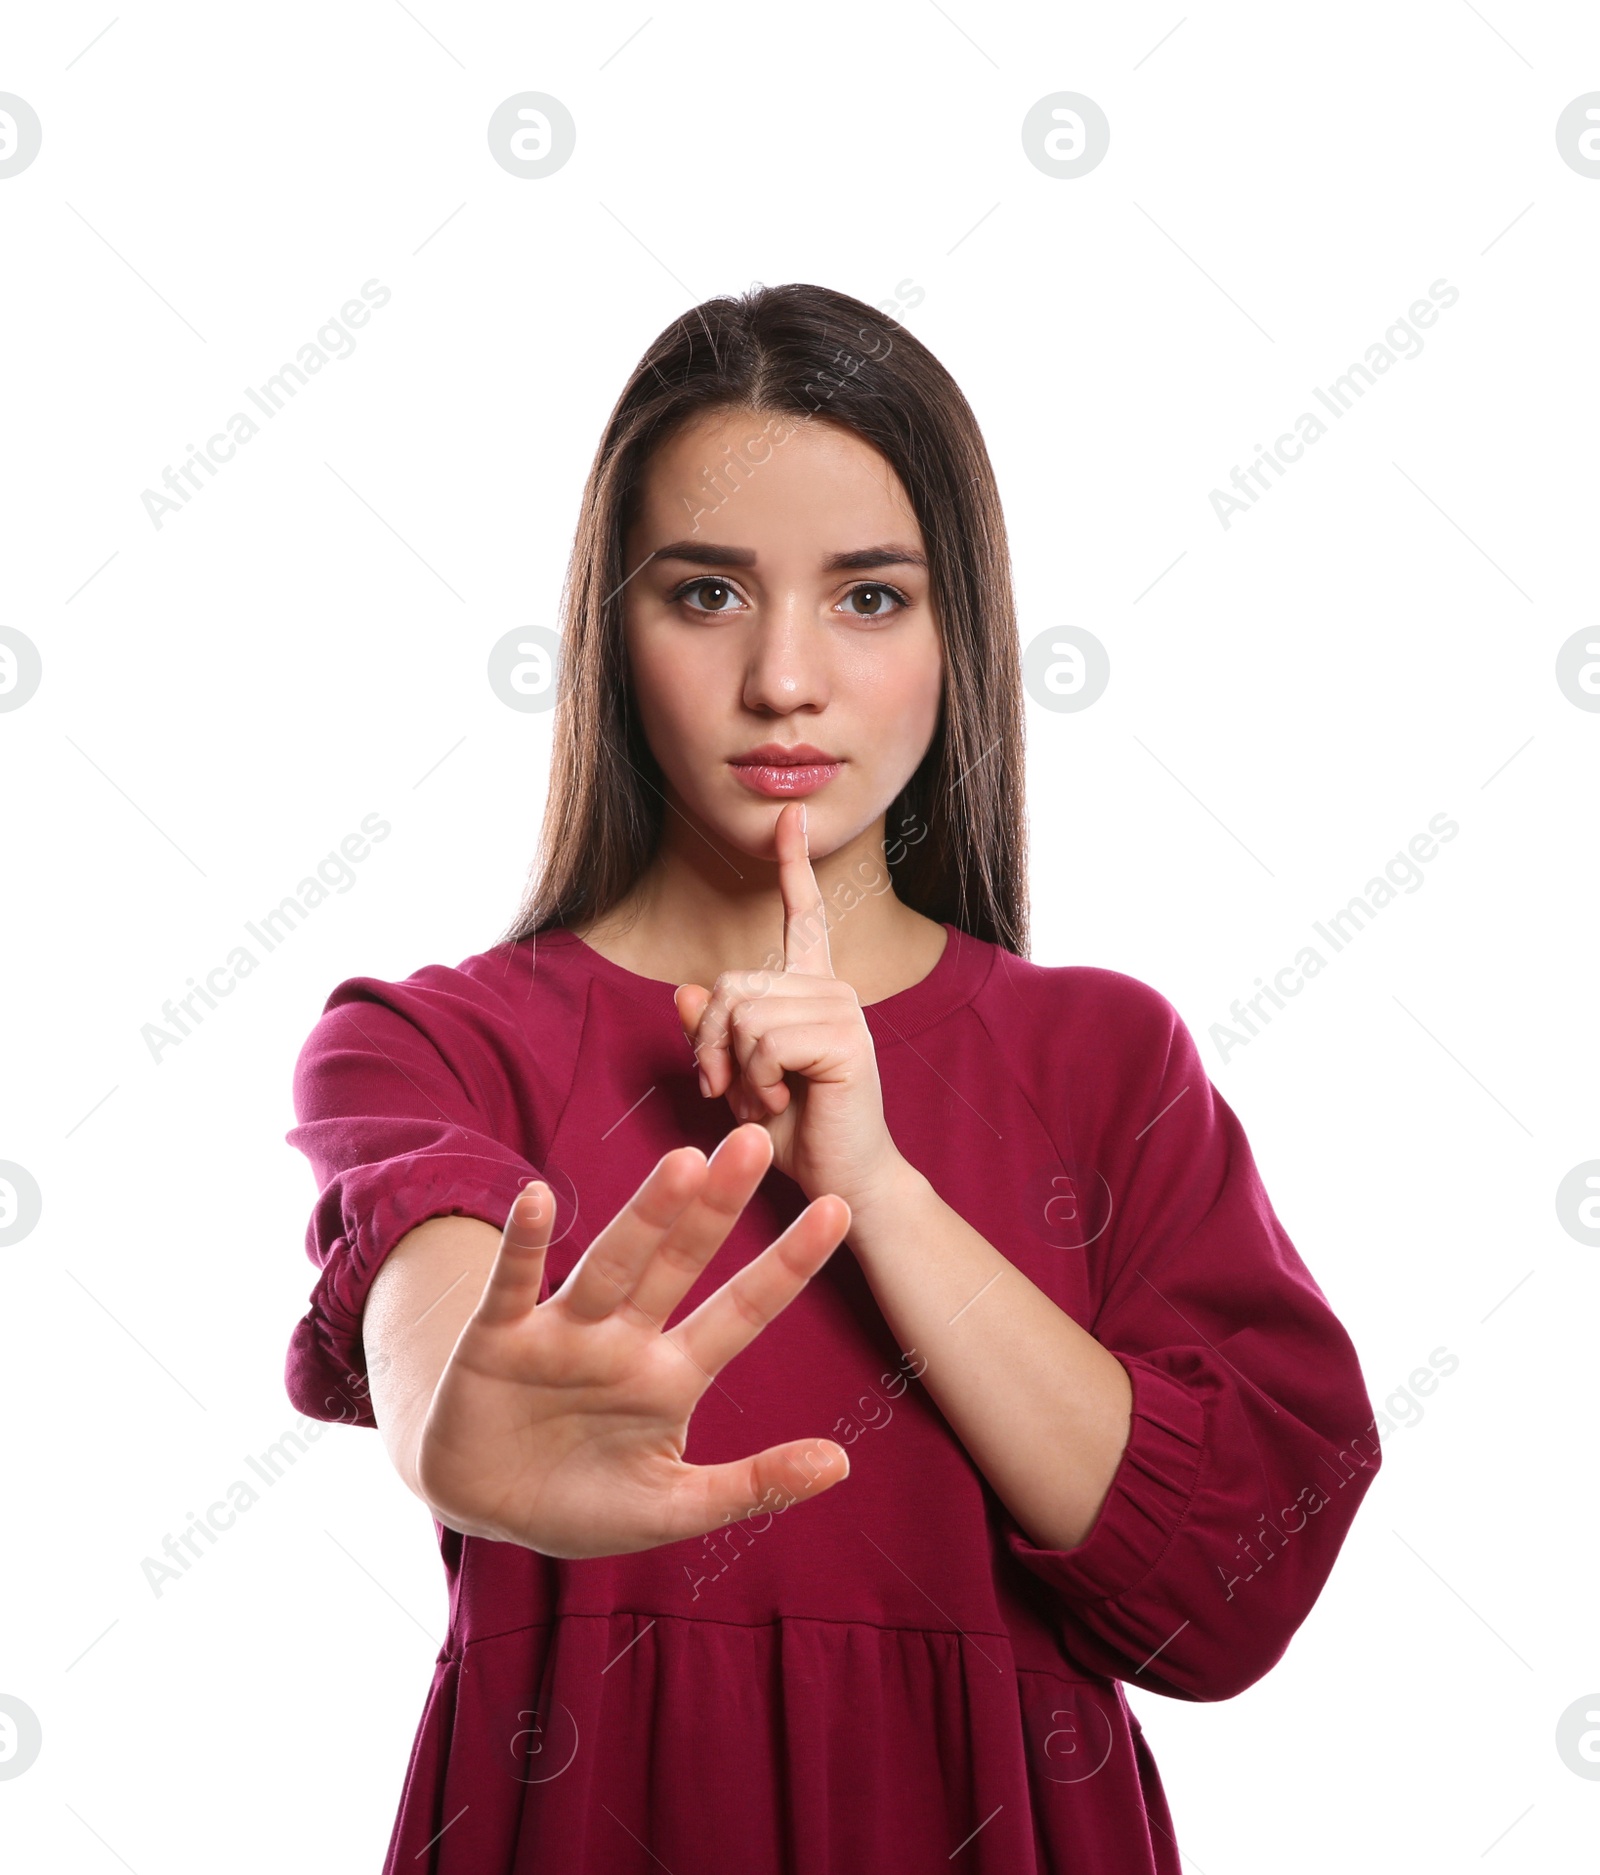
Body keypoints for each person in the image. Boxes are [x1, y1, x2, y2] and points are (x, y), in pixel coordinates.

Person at [284, 283, 1382, 1874]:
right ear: (609, 630)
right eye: (709, 592)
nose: (784, 678)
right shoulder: (436, 1040)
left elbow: (1225, 1602)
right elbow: (441, 1295)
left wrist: (874, 1185)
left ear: (961, 637)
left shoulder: (1105, 1059)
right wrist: (463, 1414)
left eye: (869, 599)